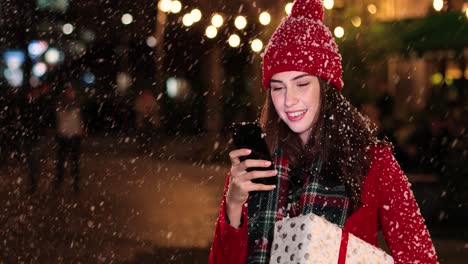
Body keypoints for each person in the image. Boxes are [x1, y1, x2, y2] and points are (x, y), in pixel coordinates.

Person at [208, 1, 438, 263]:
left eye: (302, 83)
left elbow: (420, 256)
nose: (288, 100)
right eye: (277, 87)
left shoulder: (373, 163)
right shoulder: (257, 164)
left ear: (326, 87)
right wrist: (233, 207)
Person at [54, 83, 84, 192]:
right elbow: (58, 119)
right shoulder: (60, 104)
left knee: (74, 161)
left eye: (71, 91)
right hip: (63, 135)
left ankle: (75, 184)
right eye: (68, 91)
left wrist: (81, 129)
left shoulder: (76, 104)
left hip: (74, 135)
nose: (70, 93)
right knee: (61, 161)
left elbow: (80, 119)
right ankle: (59, 182)